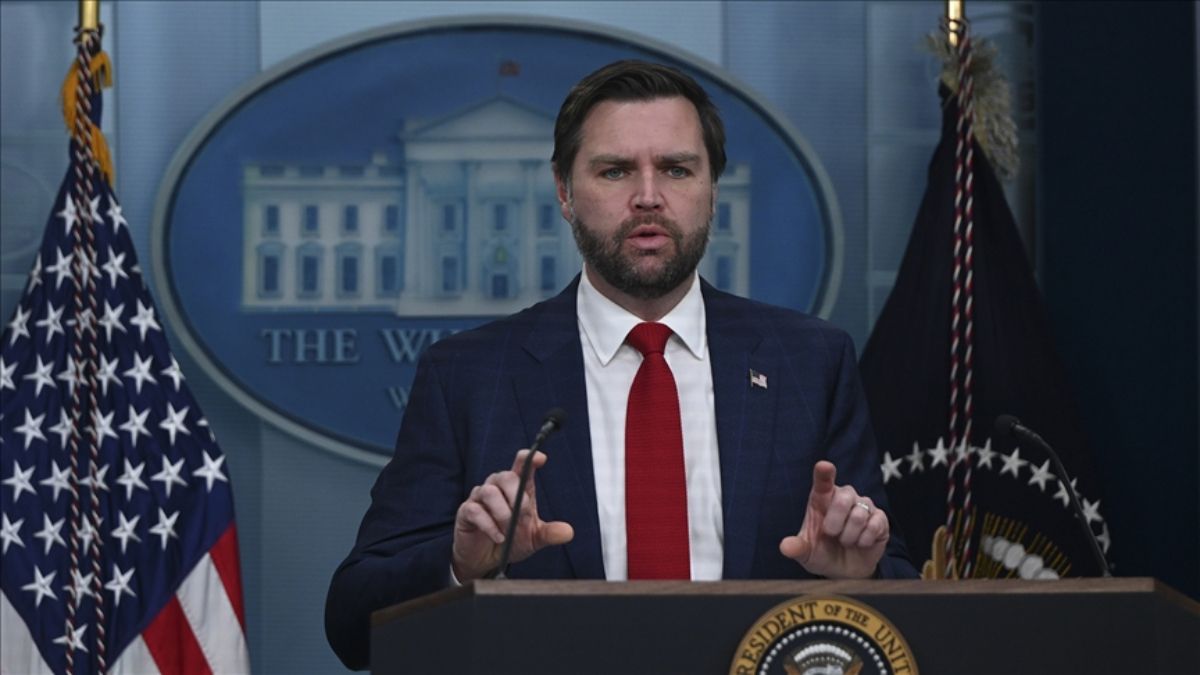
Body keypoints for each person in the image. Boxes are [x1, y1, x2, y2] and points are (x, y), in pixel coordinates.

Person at [325, 59, 916, 670]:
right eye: (615, 170)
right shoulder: (468, 376)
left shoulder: (810, 363)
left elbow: (901, 592)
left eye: (677, 169)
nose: (648, 197)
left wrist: (857, 575)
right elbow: (352, 623)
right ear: (564, 191)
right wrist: (460, 565)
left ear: (712, 189)